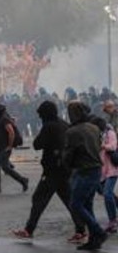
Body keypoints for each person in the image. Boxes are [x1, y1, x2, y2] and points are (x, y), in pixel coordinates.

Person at [13, 101, 86, 242]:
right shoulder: (64, 123)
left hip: (53, 170)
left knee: (39, 198)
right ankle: (81, 229)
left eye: (41, 115)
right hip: (65, 168)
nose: (40, 117)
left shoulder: (49, 126)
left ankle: (29, 230)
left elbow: (37, 144)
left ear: (45, 114)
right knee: (70, 200)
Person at [63, 101, 107, 251]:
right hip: (96, 168)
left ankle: (98, 232)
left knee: (76, 204)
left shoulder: (72, 132)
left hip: (83, 170)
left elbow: (68, 154)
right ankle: (94, 240)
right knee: (87, 205)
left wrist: (66, 164)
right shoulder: (94, 128)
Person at [0, 104, 28, 193]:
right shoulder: (0, 119)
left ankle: (23, 180)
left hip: (4, 147)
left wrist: (9, 146)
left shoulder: (5, 119)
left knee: (5, 167)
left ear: (0, 111)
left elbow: (11, 132)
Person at [90, 117, 118, 233]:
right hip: (100, 170)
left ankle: (113, 221)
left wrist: (103, 146)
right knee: (105, 192)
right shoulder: (94, 134)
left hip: (112, 168)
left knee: (107, 194)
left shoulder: (110, 133)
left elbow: (113, 146)